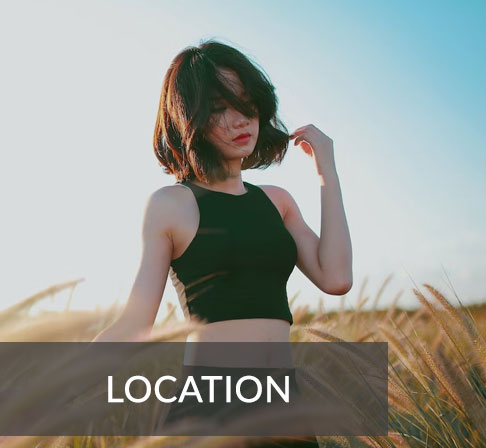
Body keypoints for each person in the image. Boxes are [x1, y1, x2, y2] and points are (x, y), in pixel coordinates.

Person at [93, 39, 353, 447]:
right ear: (188, 120)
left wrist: (327, 171)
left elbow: (336, 278)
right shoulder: (171, 205)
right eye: (218, 108)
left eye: (245, 102)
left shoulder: (277, 202)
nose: (238, 120)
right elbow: (134, 323)